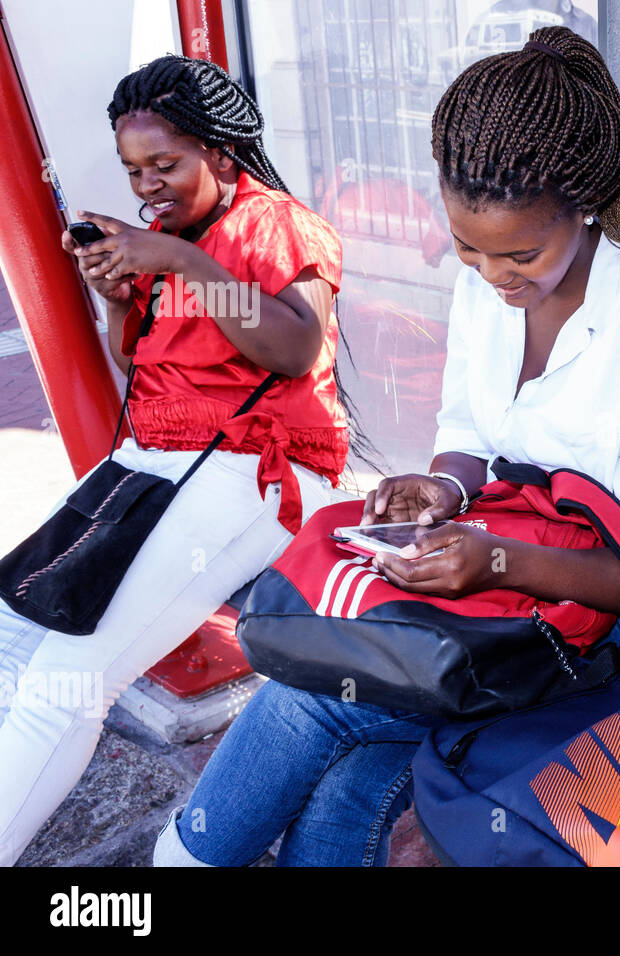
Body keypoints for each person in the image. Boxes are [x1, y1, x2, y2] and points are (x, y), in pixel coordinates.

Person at [153, 27, 620, 867]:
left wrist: (495, 563)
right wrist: (441, 490)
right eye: (468, 247)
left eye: (521, 254)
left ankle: (174, 865)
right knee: (350, 789)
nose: (492, 276)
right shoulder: (487, 287)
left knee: (311, 697)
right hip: (489, 608)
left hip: (587, 635)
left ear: (584, 205)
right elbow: (470, 433)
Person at [0, 55, 349, 866]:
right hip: (158, 460)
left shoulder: (277, 223)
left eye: (167, 164)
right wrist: (121, 291)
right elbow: (157, 371)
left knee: (70, 680)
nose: (148, 184)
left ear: (223, 155)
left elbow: (294, 345)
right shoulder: (172, 237)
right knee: (14, 636)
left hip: (257, 468)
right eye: (134, 170)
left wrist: (183, 264)